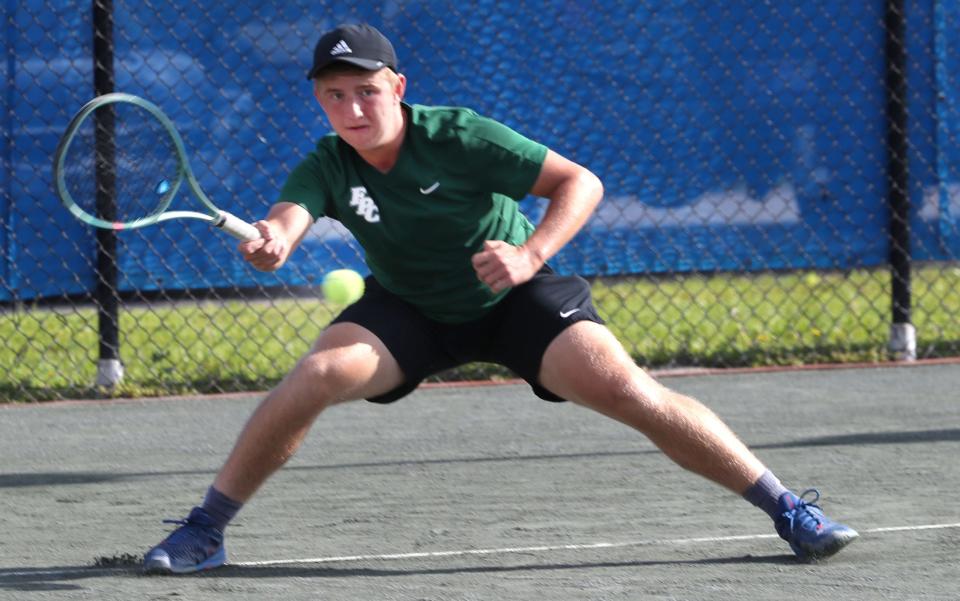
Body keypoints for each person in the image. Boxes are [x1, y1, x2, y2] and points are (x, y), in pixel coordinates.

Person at [143, 23, 857, 574]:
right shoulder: (328, 162)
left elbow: (581, 182)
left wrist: (530, 253)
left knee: (625, 388)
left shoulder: (459, 135)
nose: (352, 106)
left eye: (366, 89)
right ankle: (206, 530)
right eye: (334, 94)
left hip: (516, 297)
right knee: (318, 374)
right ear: (320, 101)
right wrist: (273, 238)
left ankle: (789, 510)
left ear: (397, 86)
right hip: (410, 311)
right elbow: (287, 222)